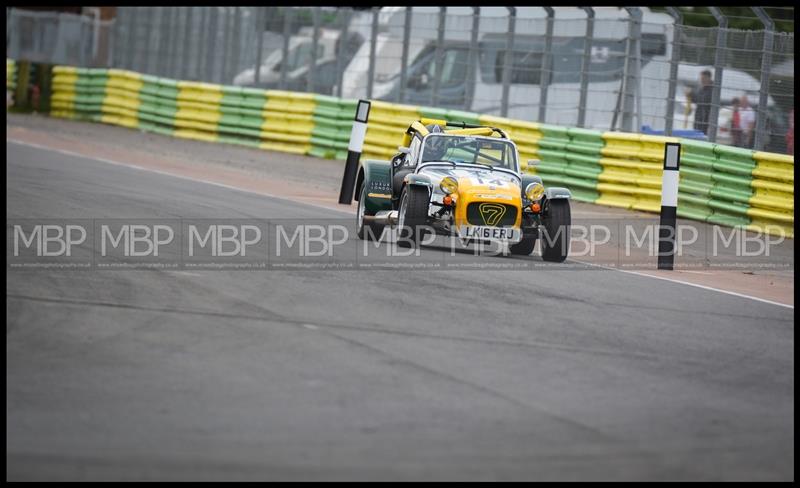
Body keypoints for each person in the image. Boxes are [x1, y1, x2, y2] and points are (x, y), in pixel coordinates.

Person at [686, 69, 714, 135]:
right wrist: (690, 96)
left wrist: (692, 94)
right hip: (699, 118)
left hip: (706, 119)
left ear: (708, 78)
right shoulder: (702, 88)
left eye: (703, 78)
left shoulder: (712, 89)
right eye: (701, 78)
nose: (701, 80)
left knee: (703, 137)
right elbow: (697, 100)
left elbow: (704, 100)